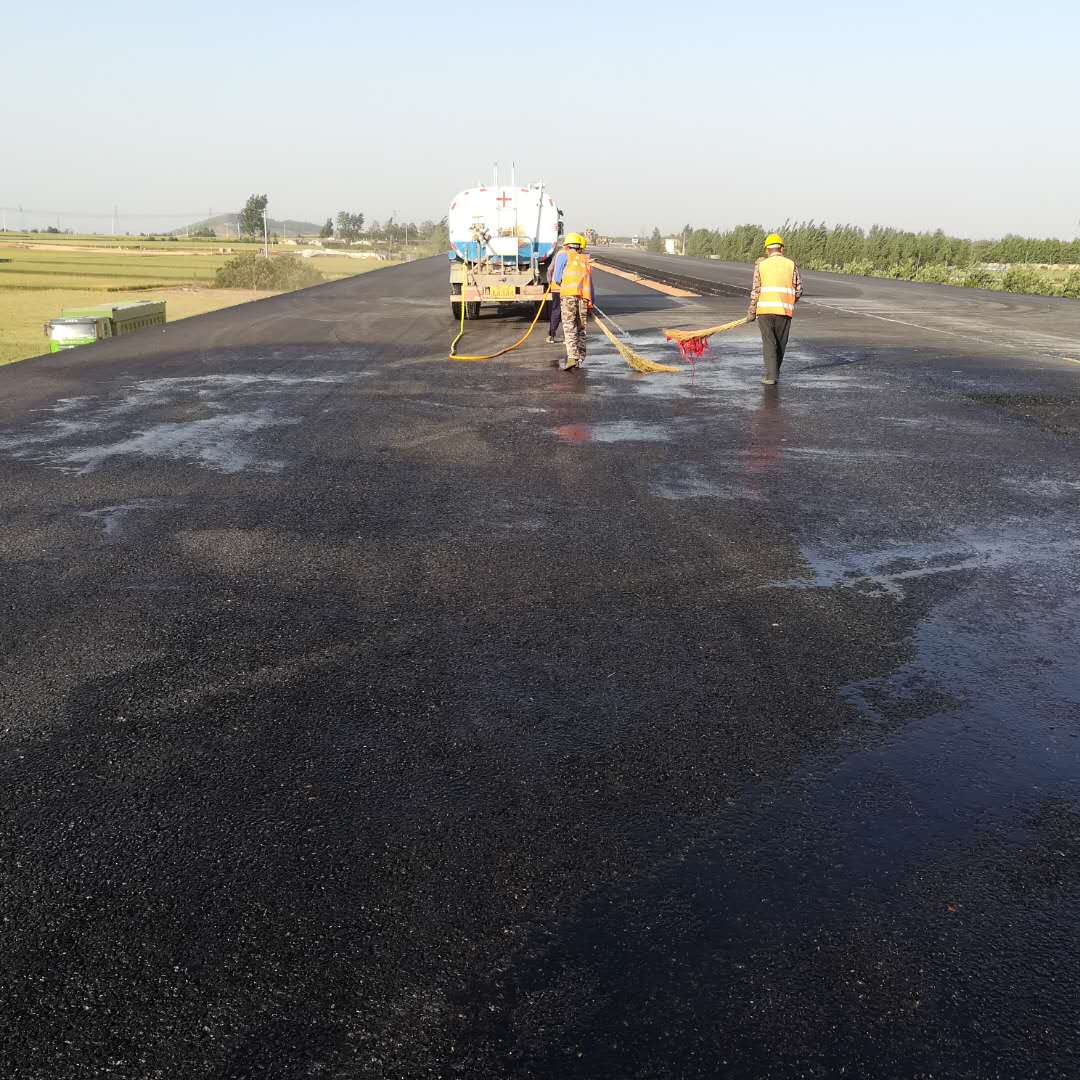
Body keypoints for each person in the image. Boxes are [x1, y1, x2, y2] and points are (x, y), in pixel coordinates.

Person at [747, 233, 802, 385]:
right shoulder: (791, 265)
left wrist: (751, 311)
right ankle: (774, 372)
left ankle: (771, 376)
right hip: (784, 311)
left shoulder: (761, 265)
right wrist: (789, 300)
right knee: (781, 343)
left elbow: (756, 291)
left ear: (767, 250)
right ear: (782, 249)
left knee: (769, 343)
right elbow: (798, 290)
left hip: (764, 311)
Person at [552, 232, 594, 371]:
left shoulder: (563, 255)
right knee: (581, 328)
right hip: (583, 298)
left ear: (567, 245)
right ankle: (580, 358)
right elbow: (590, 283)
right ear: (579, 247)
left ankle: (572, 357)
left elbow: (557, 278)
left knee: (569, 326)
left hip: (568, 296)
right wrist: (591, 303)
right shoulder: (585, 259)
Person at [545, 240, 562, 345]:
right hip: (569, 290)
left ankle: (551, 336)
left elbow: (550, 269)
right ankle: (570, 337)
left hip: (556, 288)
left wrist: (550, 281)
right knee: (570, 313)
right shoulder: (575, 256)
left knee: (556, 311)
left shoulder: (558, 254)